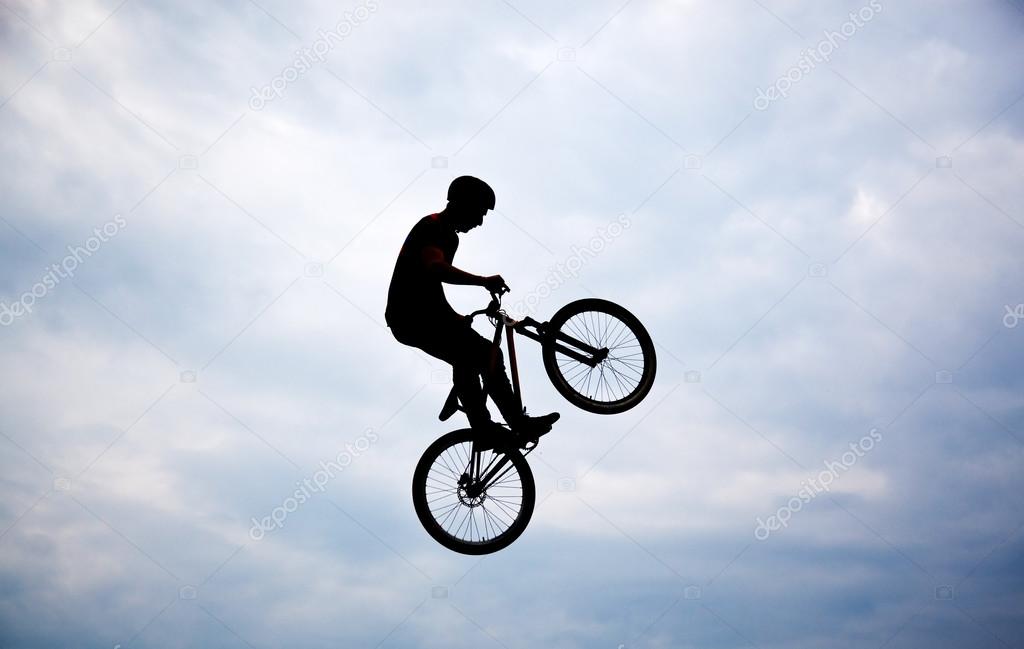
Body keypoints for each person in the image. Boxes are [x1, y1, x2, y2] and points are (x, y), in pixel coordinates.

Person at [385, 176, 559, 441]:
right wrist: (482, 281)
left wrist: (452, 317)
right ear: (462, 203)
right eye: (479, 212)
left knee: (487, 354)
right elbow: (434, 268)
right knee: (471, 354)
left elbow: (429, 286)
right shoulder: (432, 226)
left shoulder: (449, 238)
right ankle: (487, 425)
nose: (479, 222)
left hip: (423, 314)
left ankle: (507, 424)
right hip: (408, 317)